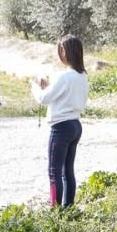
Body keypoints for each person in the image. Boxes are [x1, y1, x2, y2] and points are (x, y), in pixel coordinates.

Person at [32, 35, 89, 209]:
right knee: (67, 170)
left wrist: (34, 86)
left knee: (54, 171)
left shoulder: (65, 77)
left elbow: (43, 98)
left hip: (61, 128)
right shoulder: (82, 76)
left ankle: (55, 211)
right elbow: (63, 93)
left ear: (66, 52)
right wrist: (50, 85)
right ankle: (68, 207)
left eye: (61, 50)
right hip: (75, 125)